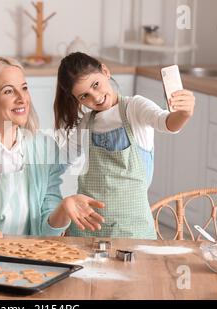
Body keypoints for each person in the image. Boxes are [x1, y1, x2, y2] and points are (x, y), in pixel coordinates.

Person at [0, 56, 106, 238]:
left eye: (24, 88)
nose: (22, 98)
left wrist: (63, 209)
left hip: (21, 258)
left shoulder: (44, 147)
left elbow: (45, 232)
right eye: (8, 91)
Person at [53, 52, 195, 239]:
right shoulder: (85, 123)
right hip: (86, 231)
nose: (95, 97)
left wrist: (184, 114)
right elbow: (59, 161)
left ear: (105, 71)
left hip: (132, 232)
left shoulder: (134, 109)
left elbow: (166, 122)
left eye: (96, 85)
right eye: (84, 96)